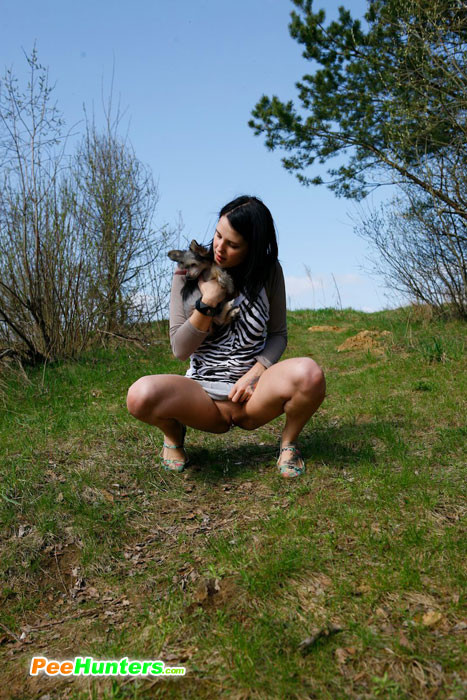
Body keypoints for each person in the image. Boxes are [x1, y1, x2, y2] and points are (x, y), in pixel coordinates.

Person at [126, 195, 325, 478]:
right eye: (218, 236)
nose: (219, 247)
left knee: (311, 374)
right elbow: (180, 349)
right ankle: (173, 433)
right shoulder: (188, 268)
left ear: (253, 248)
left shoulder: (269, 272)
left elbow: (278, 334)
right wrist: (207, 303)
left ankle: (288, 443)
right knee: (139, 395)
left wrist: (256, 373)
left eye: (233, 244)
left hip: (255, 394)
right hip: (201, 395)